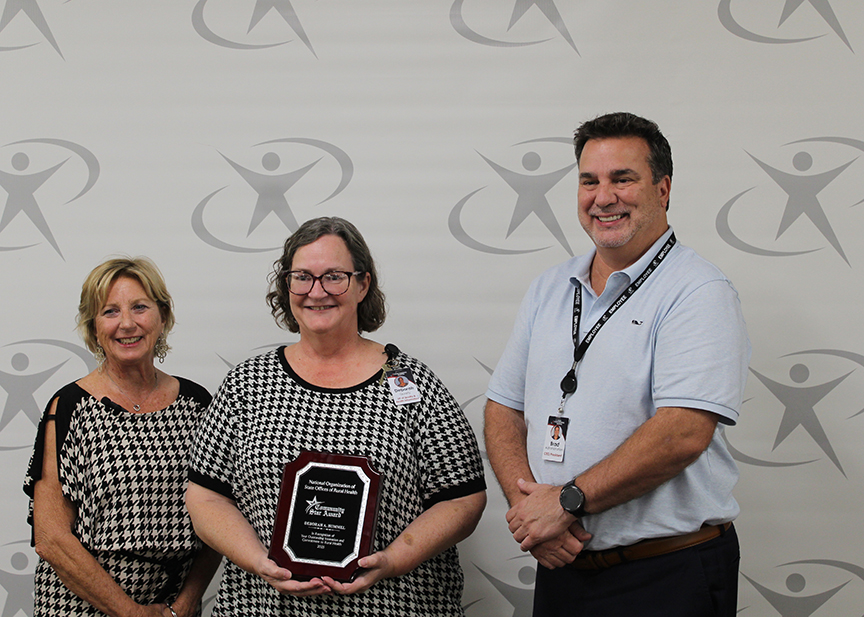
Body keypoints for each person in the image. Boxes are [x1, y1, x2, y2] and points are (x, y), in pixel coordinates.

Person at [484, 112, 751, 616]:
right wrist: (530, 511)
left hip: (666, 575)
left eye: (622, 179)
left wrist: (564, 502)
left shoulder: (698, 292)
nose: (603, 197)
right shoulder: (550, 288)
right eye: (589, 181)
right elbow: (503, 408)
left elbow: (682, 433)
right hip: (563, 568)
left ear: (663, 188)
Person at [186, 216, 486, 616]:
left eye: (334, 277)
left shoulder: (410, 382)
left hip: (394, 605)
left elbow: (463, 497)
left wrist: (394, 559)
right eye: (302, 277)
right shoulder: (246, 384)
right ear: (286, 286)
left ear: (362, 284)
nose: (317, 291)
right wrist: (259, 562)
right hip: (265, 606)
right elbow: (205, 495)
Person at [23, 257, 222, 617]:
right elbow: (50, 537)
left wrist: (186, 603)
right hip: (80, 605)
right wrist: (128, 612)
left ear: (162, 317)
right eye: (110, 311)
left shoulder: (198, 405)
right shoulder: (69, 407)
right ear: (93, 326)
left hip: (171, 606)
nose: (127, 324)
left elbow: (220, 516)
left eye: (140, 307)